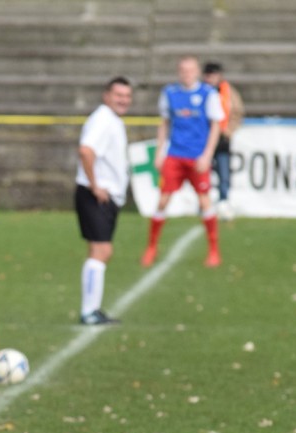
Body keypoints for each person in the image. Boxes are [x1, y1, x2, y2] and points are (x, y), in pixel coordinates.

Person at [141, 55, 224, 268]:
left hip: (197, 157)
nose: (186, 74)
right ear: (179, 72)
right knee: (162, 200)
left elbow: (215, 126)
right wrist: (160, 152)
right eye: (183, 70)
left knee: (204, 200)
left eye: (190, 70)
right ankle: (151, 247)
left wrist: (207, 155)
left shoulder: (208, 94)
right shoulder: (170, 93)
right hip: (175, 155)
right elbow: (165, 123)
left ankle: (214, 250)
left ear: (197, 72)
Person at [75, 77, 133, 325]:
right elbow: (86, 150)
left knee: (99, 251)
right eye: (118, 95)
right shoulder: (102, 119)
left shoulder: (111, 120)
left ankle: (92, 308)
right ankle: (89, 311)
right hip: (96, 194)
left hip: (105, 195)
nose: (123, 100)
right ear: (106, 95)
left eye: (127, 96)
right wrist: (95, 184)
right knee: (101, 250)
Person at [202, 62, 244, 222]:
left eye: (214, 74)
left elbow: (238, 112)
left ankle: (224, 201)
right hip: (204, 140)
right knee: (202, 172)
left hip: (222, 139)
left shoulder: (228, 92)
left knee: (223, 173)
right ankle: (203, 203)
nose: (211, 78)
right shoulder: (200, 92)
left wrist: (229, 131)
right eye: (208, 74)